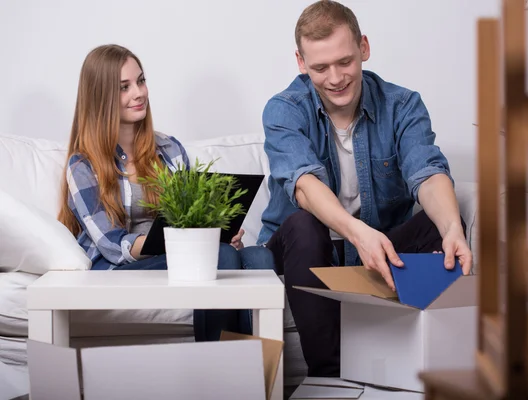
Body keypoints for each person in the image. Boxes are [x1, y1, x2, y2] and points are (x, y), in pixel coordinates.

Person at [257, 0, 473, 377]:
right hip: (303, 251)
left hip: (378, 253)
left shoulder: (403, 105)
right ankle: (331, 376)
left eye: (345, 62)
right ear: (301, 63)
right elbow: (305, 187)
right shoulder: (283, 109)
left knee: (442, 222)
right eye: (320, 67)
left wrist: (452, 228)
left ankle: (428, 363)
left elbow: (427, 171)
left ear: (364, 48)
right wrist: (359, 235)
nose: (335, 78)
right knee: (304, 224)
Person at [57, 44, 275, 341]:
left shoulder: (169, 149)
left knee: (258, 260)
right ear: (101, 98)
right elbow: (111, 245)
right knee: (218, 255)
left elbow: (189, 218)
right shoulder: (83, 165)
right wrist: (184, 243)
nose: (139, 93)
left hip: (178, 259)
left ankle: (254, 375)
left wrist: (216, 231)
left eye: (141, 81)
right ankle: (218, 369)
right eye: (124, 87)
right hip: (116, 270)